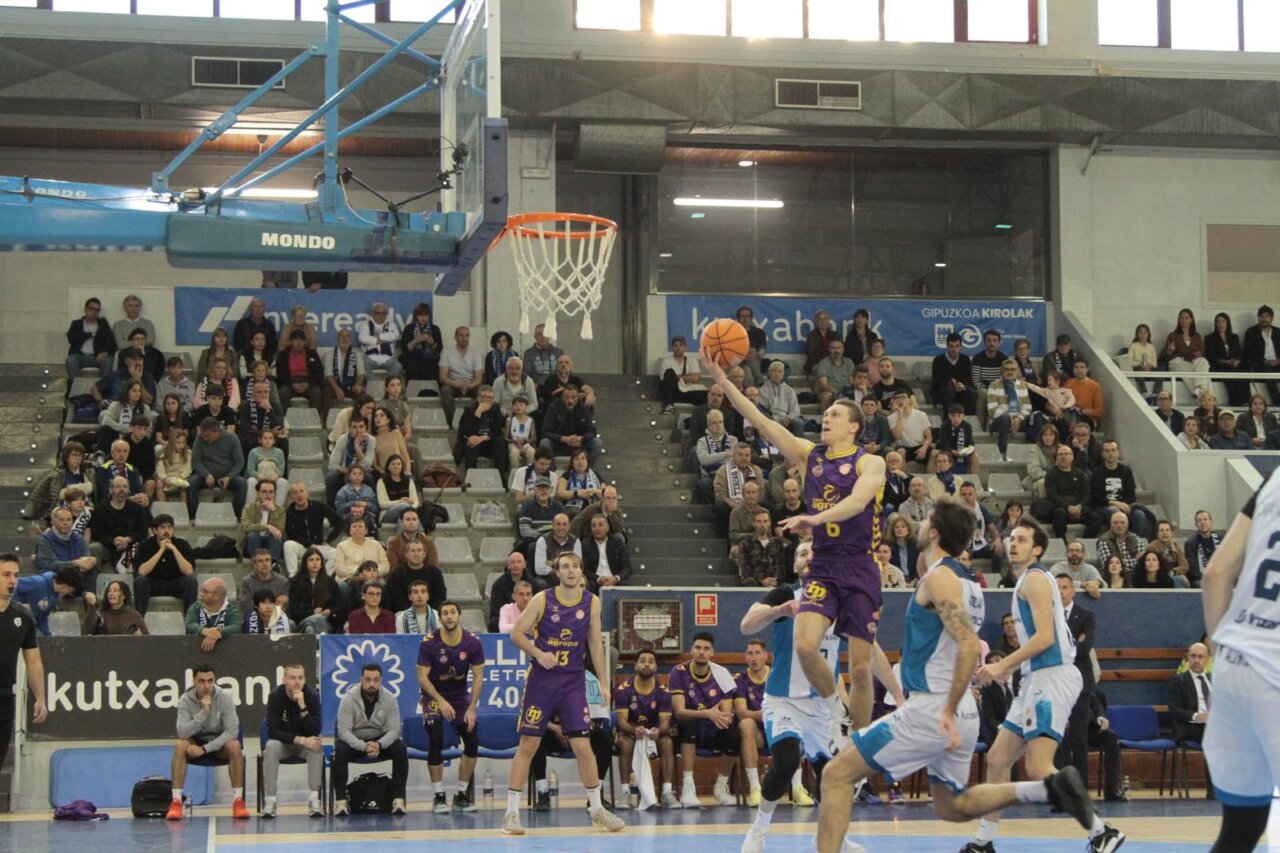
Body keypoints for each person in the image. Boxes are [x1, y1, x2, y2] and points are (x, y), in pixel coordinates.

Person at [815, 506, 1100, 853]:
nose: (920, 525)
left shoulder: (941, 579)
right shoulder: (967, 580)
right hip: (960, 709)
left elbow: (967, 644)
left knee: (836, 775)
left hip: (936, 708)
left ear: (934, 532)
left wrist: (946, 710)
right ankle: (1044, 789)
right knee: (952, 806)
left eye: (926, 521)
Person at [706, 351, 902, 749]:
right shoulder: (809, 455)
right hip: (825, 566)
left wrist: (813, 519)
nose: (825, 418)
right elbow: (760, 420)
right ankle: (837, 710)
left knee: (861, 669)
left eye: (834, 416)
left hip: (861, 567)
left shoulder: (871, 464)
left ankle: (858, 743)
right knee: (803, 644)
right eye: (825, 414)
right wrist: (723, 381)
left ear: (853, 427)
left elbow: (859, 502)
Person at [957, 518, 1122, 853]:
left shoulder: (1034, 580)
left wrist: (1002, 664)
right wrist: (1013, 669)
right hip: (1037, 677)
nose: (1013, 543)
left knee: (1037, 765)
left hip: (1053, 677)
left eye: (1022, 539)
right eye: (1011, 537)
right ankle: (983, 842)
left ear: (1037, 549)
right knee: (999, 757)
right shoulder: (1025, 582)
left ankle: (1101, 831)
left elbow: (1046, 638)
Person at [502, 553, 624, 835]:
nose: (570, 571)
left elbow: (595, 644)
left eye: (575, 566)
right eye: (565, 566)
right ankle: (510, 813)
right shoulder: (542, 599)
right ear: (558, 572)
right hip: (542, 681)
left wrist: (604, 684)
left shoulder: (591, 601)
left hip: (572, 681)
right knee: (529, 744)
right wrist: (537, 652)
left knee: (583, 746)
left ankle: (596, 809)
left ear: (582, 572)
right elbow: (517, 634)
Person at [1200, 465, 1280, 851]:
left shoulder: (1275, 478)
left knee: (1242, 829)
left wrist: (1219, 656)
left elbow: (1215, 573)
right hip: (1275, 672)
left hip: (1233, 663)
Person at [417, 600, 484, 813]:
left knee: (472, 739)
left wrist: (472, 708)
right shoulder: (429, 642)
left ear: (459, 615)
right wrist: (440, 701)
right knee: (436, 737)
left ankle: (462, 795)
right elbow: (422, 677)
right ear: (440, 618)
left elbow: (478, 677)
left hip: (460, 696)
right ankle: (438, 796)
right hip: (434, 696)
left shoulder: (472, 642)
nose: (449, 616)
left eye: (453, 612)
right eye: (444, 613)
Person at [166, 663, 248, 820]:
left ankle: (238, 801)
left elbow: (232, 731)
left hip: (218, 745)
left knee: (235, 745)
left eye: (210, 681)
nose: (206, 685)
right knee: (180, 744)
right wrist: (203, 713)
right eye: (201, 681)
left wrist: (204, 749)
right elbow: (182, 732)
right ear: (194, 681)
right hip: (195, 742)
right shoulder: (185, 700)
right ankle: (176, 802)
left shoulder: (225, 697)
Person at [668, 631, 740, 808]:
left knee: (735, 731)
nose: (702, 652)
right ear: (691, 650)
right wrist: (707, 713)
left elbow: (727, 713)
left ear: (712, 653)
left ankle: (721, 787)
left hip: (714, 729)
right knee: (688, 723)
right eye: (698, 648)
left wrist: (719, 717)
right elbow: (679, 711)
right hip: (688, 730)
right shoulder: (678, 672)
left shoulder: (721, 673)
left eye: (706, 649)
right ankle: (688, 787)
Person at [332, 663, 409, 816]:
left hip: (379, 741)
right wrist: (363, 746)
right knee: (340, 749)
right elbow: (343, 732)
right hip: (355, 742)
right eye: (367, 680)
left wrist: (379, 744)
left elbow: (394, 730)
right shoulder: (348, 699)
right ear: (361, 680)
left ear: (381, 681)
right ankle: (341, 802)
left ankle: (398, 800)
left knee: (400, 748)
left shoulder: (390, 699)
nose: (371, 684)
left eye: (375, 680)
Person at [614, 648, 678, 809]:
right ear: (635, 666)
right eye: (642, 661)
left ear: (656, 667)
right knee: (626, 743)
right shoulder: (623, 690)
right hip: (630, 733)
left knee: (667, 742)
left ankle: (667, 792)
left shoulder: (663, 692)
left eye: (651, 661)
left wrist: (658, 731)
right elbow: (621, 721)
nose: (647, 665)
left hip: (652, 735)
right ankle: (625, 793)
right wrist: (633, 730)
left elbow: (665, 721)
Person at [259, 663, 324, 818]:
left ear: (305, 679)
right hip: (284, 745)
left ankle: (314, 800)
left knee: (316, 745)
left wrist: (302, 707)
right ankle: (271, 801)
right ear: (284, 680)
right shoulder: (276, 696)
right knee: (271, 746)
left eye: (300, 678)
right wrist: (301, 740)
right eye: (292, 678)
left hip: (305, 746)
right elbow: (272, 731)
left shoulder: (312, 696)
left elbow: (315, 730)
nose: (297, 682)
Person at [1055, 574, 1098, 793]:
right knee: (1057, 737)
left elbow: (1085, 648)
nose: (1061, 591)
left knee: (1079, 738)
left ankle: (1081, 792)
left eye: (1065, 587)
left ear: (1073, 590)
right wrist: (1073, 644)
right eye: (1057, 587)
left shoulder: (1086, 615)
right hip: (1056, 682)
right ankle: (1061, 790)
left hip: (1080, 682)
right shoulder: (1047, 615)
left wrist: (1061, 650)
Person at [131, 514, 198, 615]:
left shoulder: (182, 544)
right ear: (155, 530)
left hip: (175, 583)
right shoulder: (145, 545)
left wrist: (174, 549)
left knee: (191, 581)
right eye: (162, 527)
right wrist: (161, 550)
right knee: (140, 581)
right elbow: (142, 571)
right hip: (153, 584)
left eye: (169, 527)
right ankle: (139, 622)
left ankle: (190, 622)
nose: (166, 531)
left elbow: (188, 571)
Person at [189, 417, 247, 520]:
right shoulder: (200, 438)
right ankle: (193, 517)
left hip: (227, 476)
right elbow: (195, 461)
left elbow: (239, 462)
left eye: (207, 435)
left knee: (242, 483)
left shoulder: (232, 438)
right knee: (192, 482)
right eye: (203, 435)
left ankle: (235, 516)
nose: (204, 439)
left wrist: (229, 477)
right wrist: (206, 474)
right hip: (206, 476)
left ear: (217, 432)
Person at [283, 481, 344, 576]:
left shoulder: (318, 506)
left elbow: (340, 522)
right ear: (291, 496)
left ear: (307, 493)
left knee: (336, 553)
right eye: (295, 493)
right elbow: (292, 535)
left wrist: (328, 540)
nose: (299, 495)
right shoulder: (289, 512)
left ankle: (324, 577)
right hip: (301, 547)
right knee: (288, 544)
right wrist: (309, 544)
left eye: (301, 491)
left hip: (319, 546)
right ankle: (293, 576)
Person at [539, 383, 603, 466]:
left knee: (597, 443)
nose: (570, 400)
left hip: (579, 444)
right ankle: (552, 472)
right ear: (562, 397)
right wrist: (563, 439)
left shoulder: (584, 408)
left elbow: (592, 431)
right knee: (544, 442)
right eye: (566, 397)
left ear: (578, 397)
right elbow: (545, 432)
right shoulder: (553, 407)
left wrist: (581, 438)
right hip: (558, 444)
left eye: (573, 397)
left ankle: (586, 470)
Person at [35, 506, 98, 588]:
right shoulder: (45, 540)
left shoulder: (79, 539)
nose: (65, 523)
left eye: (68, 520)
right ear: (53, 522)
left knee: (92, 568)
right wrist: (75, 563)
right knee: (51, 575)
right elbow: (51, 565)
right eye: (61, 520)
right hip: (55, 576)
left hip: (75, 576)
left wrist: (91, 561)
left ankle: (88, 595)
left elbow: (85, 561)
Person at [287, 547, 344, 634]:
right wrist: (312, 611)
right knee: (315, 622)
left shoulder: (330, 581)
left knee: (311, 629)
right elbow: (293, 608)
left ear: (321, 563)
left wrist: (330, 611)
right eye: (311, 560)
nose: (315, 563)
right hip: (303, 620)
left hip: (326, 621)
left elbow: (339, 605)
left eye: (318, 559)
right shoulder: (296, 582)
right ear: (305, 563)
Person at [325, 413, 376, 506]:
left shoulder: (371, 440)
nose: (358, 430)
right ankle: (332, 511)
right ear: (349, 428)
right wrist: (349, 472)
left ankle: (372, 510)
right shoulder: (342, 439)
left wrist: (357, 446)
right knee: (331, 478)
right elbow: (332, 465)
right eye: (354, 427)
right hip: (344, 471)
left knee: (369, 477)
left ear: (366, 428)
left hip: (362, 473)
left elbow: (366, 465)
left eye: (361, 427)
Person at [1169, 641, 1212, 750]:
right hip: (1190, 727)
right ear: (1188, 658)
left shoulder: (1214, 680)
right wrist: (1197, 716)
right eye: (1193, 656)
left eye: (1200, 657)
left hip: (1212, 725)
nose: (1196, 661)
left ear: (1207, 659)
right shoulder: (1178, 680)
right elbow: (1175, 710)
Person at [987, 359, 1033, 461]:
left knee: (1037, 416)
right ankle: (1002, 451)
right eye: (1006, 369)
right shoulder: (994, 385)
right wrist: (1011, 418)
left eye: (1012, 369)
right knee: (1005, 418)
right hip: (1000, 421)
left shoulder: (1022, 386)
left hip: (1018, 421)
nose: (1009, 372)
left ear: (1016, 371)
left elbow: (1027, 407)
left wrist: (1019, 418)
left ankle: (1033, 449)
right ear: (1002, 371)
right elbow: (992, 410)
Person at [13, 568, 81, 636]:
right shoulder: (37, 582)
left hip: (28, 625)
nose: (69, 593)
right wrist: (18, 605)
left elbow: (42, 618)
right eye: (71, 590)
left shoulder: (55, 596)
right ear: (65, 587)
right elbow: (11, 586)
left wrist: (47, 636)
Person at [386, 539, 447, 614]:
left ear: (424, 554)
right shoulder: (397, 573)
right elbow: (396, 598)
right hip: (404, 614)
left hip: (431, 614)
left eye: (419, 550)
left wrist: (428, 612)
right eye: (413, 551)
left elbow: (440, 596)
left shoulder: (435, 572)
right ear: (406, 554)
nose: (416, 554)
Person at [439, 325, 484, 428]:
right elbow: (442, 377)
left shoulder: (475, 353)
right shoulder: (447, 352)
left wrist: (470, 385)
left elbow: (479, 378)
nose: (464, 338)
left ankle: (478, 422)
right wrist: (455, 384)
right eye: (461, 335)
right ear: (455, 337)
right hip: (453, 384)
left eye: (467, 336)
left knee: (482, 390)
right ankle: (452, 423)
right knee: (445, 390)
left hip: (471, 385)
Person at [1164, 308, 1211, 399]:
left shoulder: (1196, 336)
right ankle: (1206, 397)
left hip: (1192, 361)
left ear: (1191, 320)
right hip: (1177, 362)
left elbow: (1202, 354)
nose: (1184, 320)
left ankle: (1198, 390)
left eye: (1186, 318)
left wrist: (1199, 355)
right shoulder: (1173, 335)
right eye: (1181, 318)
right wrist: (1170, 350)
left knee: (1203, 362)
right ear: (1178, 320)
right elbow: (1167, 354)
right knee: (1195, 372)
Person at [1205, 312, 1249, 406]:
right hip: (1219, 365)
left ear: (1227, 323)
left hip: (1233, 364)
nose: (1220, 324)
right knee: (1230, 374)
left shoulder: (1234, 337)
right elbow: (1211, 356)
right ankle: (1235, 402)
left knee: (1244, 371)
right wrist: (1226, 361)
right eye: (1218, 322)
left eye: (1223, 321)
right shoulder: (1210, 338)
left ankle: (1246, 401)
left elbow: (1239, 354)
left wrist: (1237, 361)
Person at [186, 577, 242, 651]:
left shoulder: (231, 611)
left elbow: (236, 627)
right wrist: (205, 631)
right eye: (201, 591)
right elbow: (190, 624)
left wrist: (217, 633)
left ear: (217, 596)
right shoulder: (195, 607)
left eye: (205, 592)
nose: (201, 594)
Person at [488, 550, 539, 632]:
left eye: (519, 562)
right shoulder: (498, 584)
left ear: (524, 564)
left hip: (529, 617)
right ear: (508, 566)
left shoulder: (534, 584)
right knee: (494, 622)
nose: (516, 565)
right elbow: (495, 611)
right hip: (507, 617)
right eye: (512, 562)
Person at [65, 297, 116, 378]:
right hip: (80, 356)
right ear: (85, 309)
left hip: (97, 357)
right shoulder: (77, 324)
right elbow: (72, 338)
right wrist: (90, 335)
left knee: (108, 361)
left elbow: (112, 342)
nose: (94, 312)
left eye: (97, 310)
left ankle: (100, 388)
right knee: (71, 360)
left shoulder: (103, 324)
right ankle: (77, 388)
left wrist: (105, 353)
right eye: (91, 309)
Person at [657, 336, 708, 414]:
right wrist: (687, 377)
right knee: (670, 372)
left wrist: (676, 377)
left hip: (687, 392)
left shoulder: (692, 360)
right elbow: (665, 381)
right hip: (673, 393)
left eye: (681, 345)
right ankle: (669, 406)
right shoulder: (666, 362)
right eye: (675, 345)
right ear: (672, 347)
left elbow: (695, 378)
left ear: (685, 347)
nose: (678, 348)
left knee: (708, 394)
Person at [383, 509, 440, 578]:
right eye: (408, 519)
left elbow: (433, 565)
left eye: (414, 519)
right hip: (401, 580)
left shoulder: (428, 541)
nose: (411, 522)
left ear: (418, 522)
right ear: (401, 522)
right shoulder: (394, 542)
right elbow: (393, 568)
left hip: (424, 580)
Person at [1242, 303, 1280, 405]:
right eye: (1261, 316)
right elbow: (1247, 353)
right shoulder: (1251, 332)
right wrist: (1265, 361)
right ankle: (1278, 403)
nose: (1264, 319)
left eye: (1267, 316)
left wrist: (1278, 361)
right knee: (1268, 372)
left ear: (1271, 318)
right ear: (1258, 318)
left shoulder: (1278, 332)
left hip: (1277, 363)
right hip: (1260, 364)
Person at [82, 577, 147, 635]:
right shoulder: (101, 614)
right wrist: (91, 605)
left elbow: (147, 638)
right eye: (109, 591)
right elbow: (87, 631)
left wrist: (140, 637)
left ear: (123, 595)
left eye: (115, 591)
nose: (111, 593)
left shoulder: (134, 615)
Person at [931, 332, 976, 414]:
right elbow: (936, 383)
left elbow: (968, 379)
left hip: (960, 391)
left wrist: (962, 385)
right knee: (949, 391)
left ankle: (969, 421)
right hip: (943, 392)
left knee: (971, 392)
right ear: (947, 346)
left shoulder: (965, 360)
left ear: (961, 346)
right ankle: (947, 422)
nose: (954, 349)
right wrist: (952, 384)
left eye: (957, 346)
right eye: (951, 346)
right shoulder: (938, 360)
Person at [335, 517, 389, 582]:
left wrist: (372, 572)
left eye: (360, 526)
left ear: (366, 530)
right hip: (350, 579)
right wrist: (361, 571)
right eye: (354, 526)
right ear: (350, 531)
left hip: (375, 578)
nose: (357, 529)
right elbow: (339, 569)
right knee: (343, 587)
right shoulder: (341, 546)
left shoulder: (376, 544)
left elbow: (386, 566)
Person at [398, 302, 443, 380]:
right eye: (420, 315)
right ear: (416, 316)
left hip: (430, 359)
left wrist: (432, 342)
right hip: (413, 359)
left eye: (426, 315)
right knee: (412, 366)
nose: (423, 317)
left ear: (429, 316)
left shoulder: (435, 328)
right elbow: (404, 348)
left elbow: (439, 349)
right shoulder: (409, 328)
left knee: (433, 368)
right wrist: (415, 340)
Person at [358, 302, 403, 377]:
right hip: (370, 358)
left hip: (388, 358)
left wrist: (379, 336)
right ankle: (374, 386)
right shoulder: (365, 324)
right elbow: (362, 338)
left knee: (398, 366)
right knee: (361, 367)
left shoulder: (391, 325)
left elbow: (396, 335)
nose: (381, 315)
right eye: (378, 313)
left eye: (383, 313)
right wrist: (383, 340)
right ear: (373, 313)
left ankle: (384, 386)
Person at [759, 361, 804, 437]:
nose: (776, 374)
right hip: (771, 418)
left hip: (787, 418)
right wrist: (776, 420)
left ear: (783, 375)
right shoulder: (762, 390)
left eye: (779, 372)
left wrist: (788, 418)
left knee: (799, 423)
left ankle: (797, 446)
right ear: (769, 374)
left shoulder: (789, 390)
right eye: (774, 371)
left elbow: (795, 410)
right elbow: (763, 409)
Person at [237, 549, 288, 615]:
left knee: (290, 623)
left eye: (267, 560)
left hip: (278, 617)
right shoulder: (246, 582)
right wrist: (275, 603)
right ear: (254, 565)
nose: (264, 564)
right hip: (254, 618)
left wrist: (257, 604)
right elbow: (245, 606)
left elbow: (287, 606)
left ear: (271, 562)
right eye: (260, 561)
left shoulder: (282, 581)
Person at [888, 391, 932, 466]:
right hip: (903, 446)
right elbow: (897, 436)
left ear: (909, 400)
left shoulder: (921, 415)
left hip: (920, 446)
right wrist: (900, 414)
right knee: (901, 451)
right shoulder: (891, 417)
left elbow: (929, 437)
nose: (900, 400)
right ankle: (903, 477)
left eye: (903, 397)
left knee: (935, 453)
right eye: (897, 398)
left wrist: (924, 448)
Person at [533, 513, 582, 579]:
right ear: (553, 525)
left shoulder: (575, 541)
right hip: (548, 578)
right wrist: (564, 567)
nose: (561, 528)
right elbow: (539, 569)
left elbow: (577, 566)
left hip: (568, 577)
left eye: (564, 524)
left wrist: (552, 563)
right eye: (558, 524)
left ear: (569, 526)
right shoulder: (542, 540)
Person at [935, 403, 979, 475]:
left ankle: (973, 478)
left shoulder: (967, 426)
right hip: (948, 452)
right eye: (953, 416)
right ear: (949, 416)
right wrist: (953, 452)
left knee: (975, 456)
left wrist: (964, 451)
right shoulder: (944, 426)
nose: (956, 419)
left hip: (963, 453)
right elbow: (943, 444)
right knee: (937, 454)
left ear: (963, 416)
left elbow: (971, 444)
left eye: (959, 416)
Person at [813, 339, 854, 411]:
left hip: (846, 390)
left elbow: (852, 381)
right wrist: (838, 393)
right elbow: (823, 385)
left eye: (839, 348)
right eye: (833, 348)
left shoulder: (849, 362)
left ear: (843, 349)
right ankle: (824, 418)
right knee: (827, 395)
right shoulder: (823, 363)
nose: (836, 351)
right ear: (829, 349)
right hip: (829, 391)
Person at [1065, 359, 1105, 429]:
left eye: (1082, 367)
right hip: (1070, 415)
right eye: (1076, 367)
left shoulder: (1095, 386)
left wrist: (1081, 410)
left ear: (1087, 369)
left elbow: (1099, 411)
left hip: (1087, 419)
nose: (1079, 370)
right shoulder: (1068, 384)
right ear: (1073, 370)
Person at [1183, 508, 1218, 588]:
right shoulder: (1190, 543)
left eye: (1205, 519)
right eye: (1199, 521)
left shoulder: (1222, 539)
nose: (1202, 522)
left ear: (1211, 522)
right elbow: (1193, 569)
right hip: (1201, 579)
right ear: (1196, 525)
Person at [521, 322, 564, 387]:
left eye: (545, 334)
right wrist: (548, 381)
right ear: (535, 337)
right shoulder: (528, 353)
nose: (543, 337)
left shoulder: (559, 352)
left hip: (558, 386)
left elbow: (565, 371)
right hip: (538, 387)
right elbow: (527, 374)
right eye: (539, 334)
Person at [803, 309, 839, 376]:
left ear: (828, 320)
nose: (823, 321)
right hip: (816, 364)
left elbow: (838, 352)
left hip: (833, 363)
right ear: (816, 321)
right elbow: (811, 357)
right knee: (823, 369)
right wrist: (826, 362)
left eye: (825, 319)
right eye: (820, 319)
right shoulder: (811, 335)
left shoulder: (835, 335)